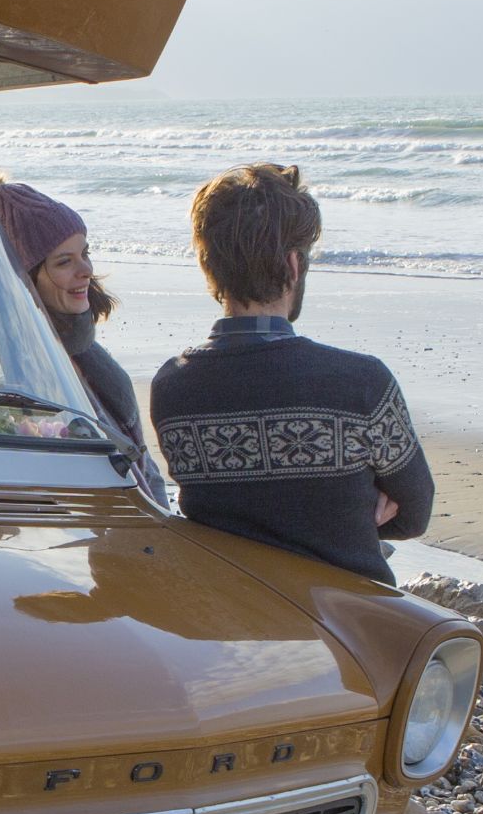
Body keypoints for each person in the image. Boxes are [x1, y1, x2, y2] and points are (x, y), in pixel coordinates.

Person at [147, 163, 434, 584]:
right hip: (350, 624)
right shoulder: (360, 383)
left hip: (232, 616)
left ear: (211, 266)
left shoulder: (173, 385)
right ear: (294, 265)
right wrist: (351, 512)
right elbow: (414, 514)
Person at [0, 175, 160, 494]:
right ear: (26, 280)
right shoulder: (21, 381)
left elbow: (144, 462)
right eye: (64, 261)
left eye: (84, 253)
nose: (86, 270)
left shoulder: (83, 353)